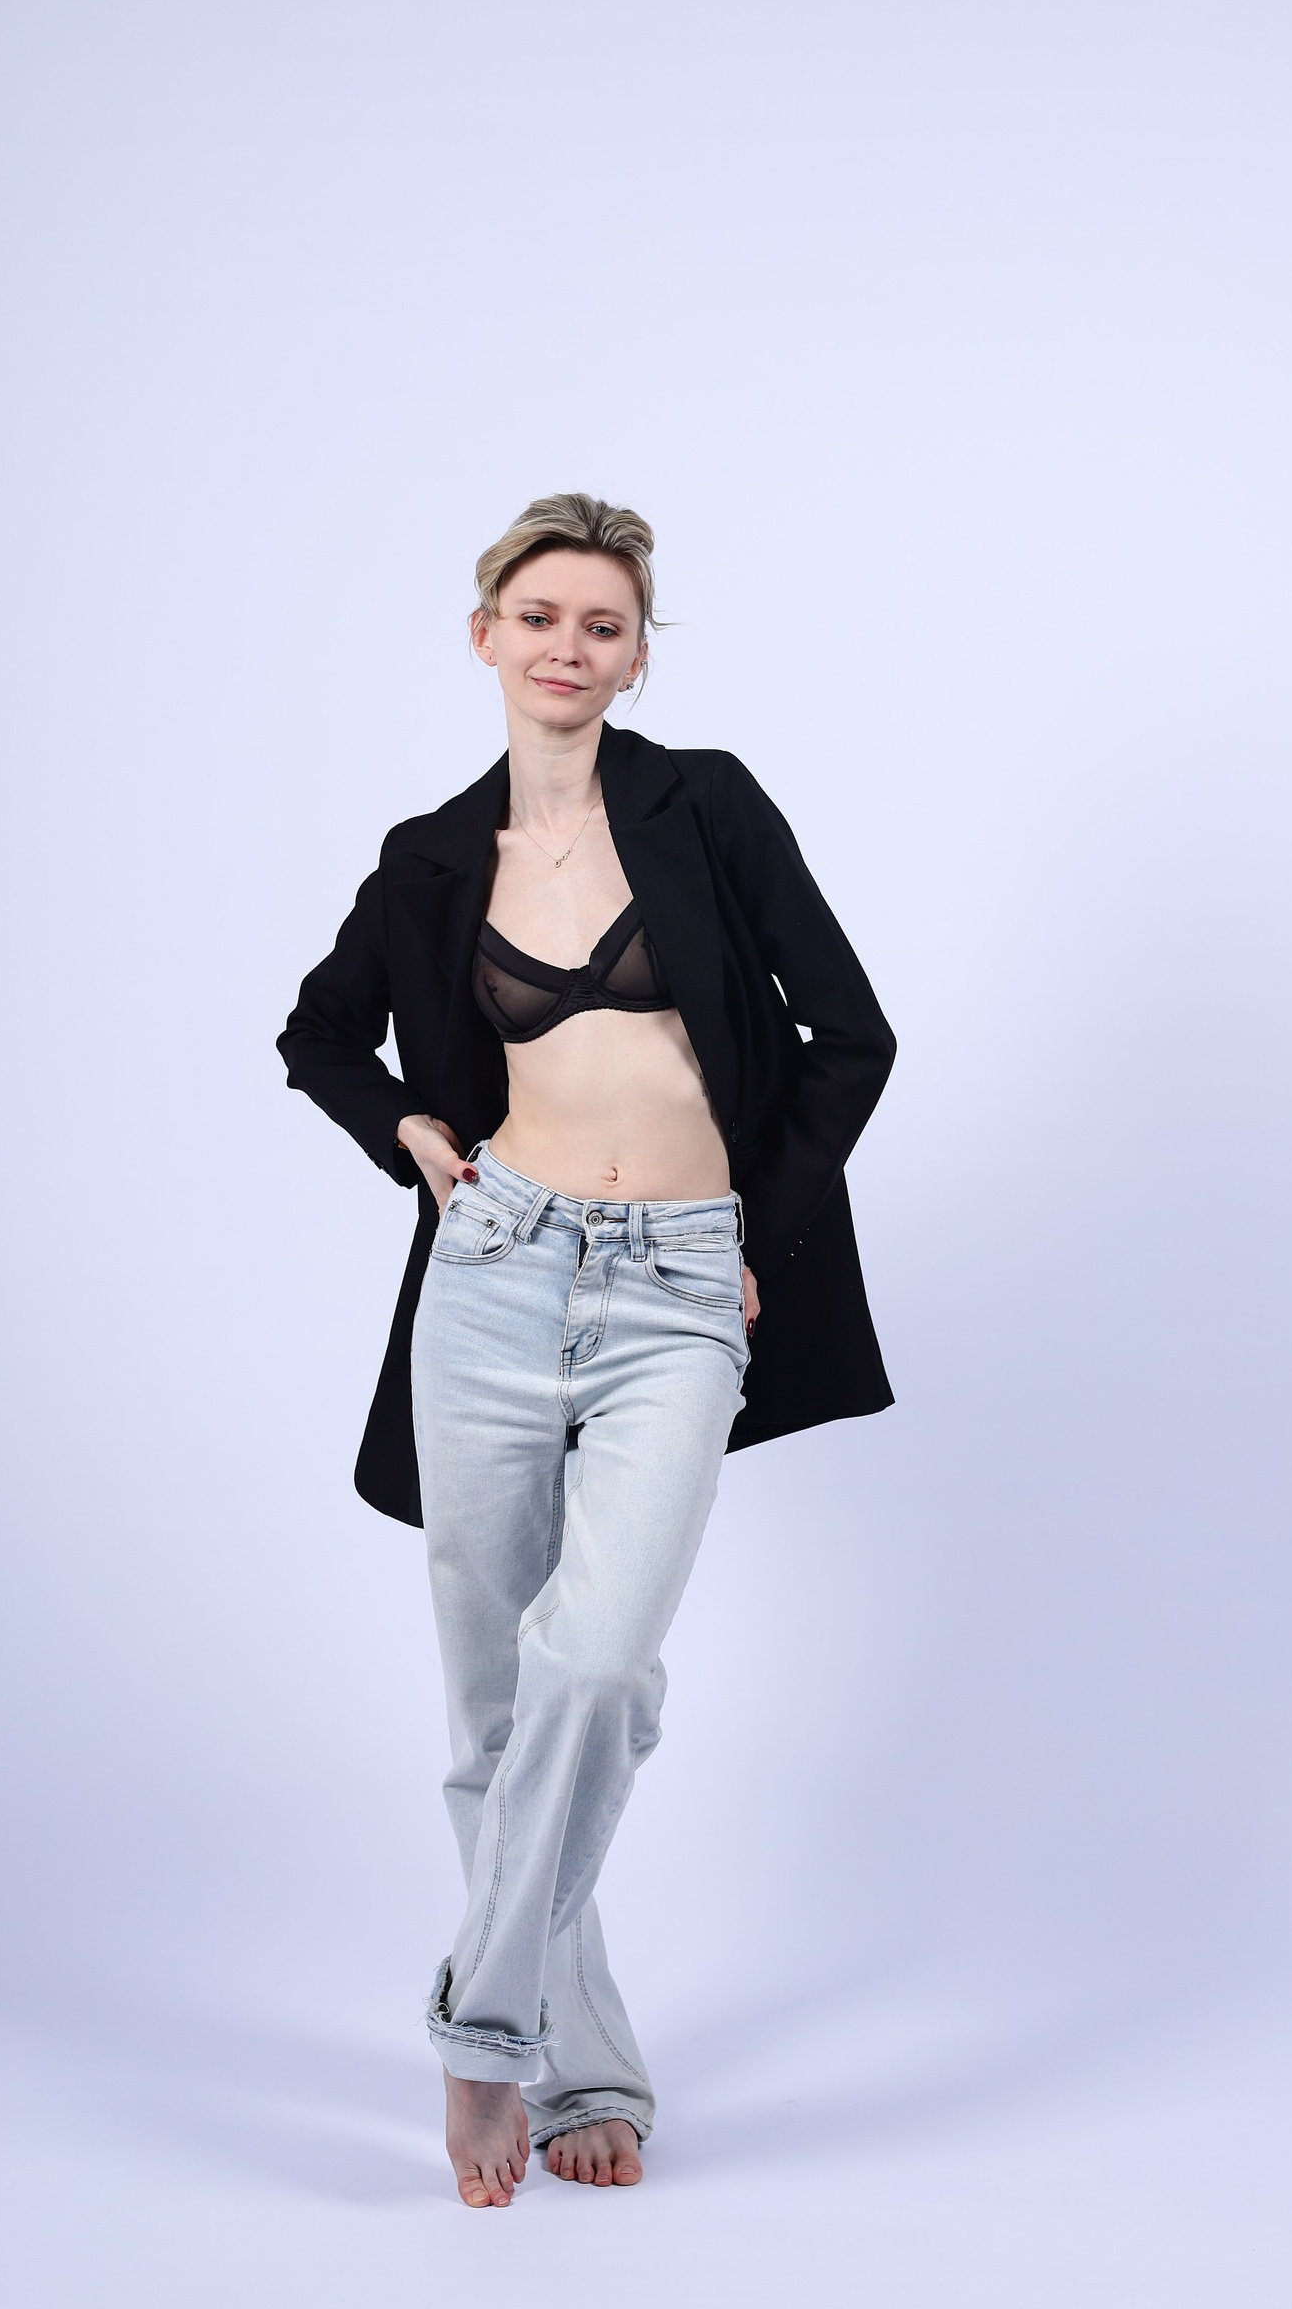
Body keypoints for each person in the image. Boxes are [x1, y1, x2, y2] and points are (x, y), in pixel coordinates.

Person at [278, 494, 895, 2204]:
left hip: (683, 1283)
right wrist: (407, 1129)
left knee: (599, 1670)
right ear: (486, 635)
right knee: (497, 1712)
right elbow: (317, 1034)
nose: (568, 646)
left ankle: (483, 2029)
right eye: (539, 616)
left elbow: (851, 1036)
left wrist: (752, 1237)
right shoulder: (429, 855)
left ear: (636, 657)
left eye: (603, 625)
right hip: (494, 1271)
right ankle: (586, 2068)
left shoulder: (708, 806)